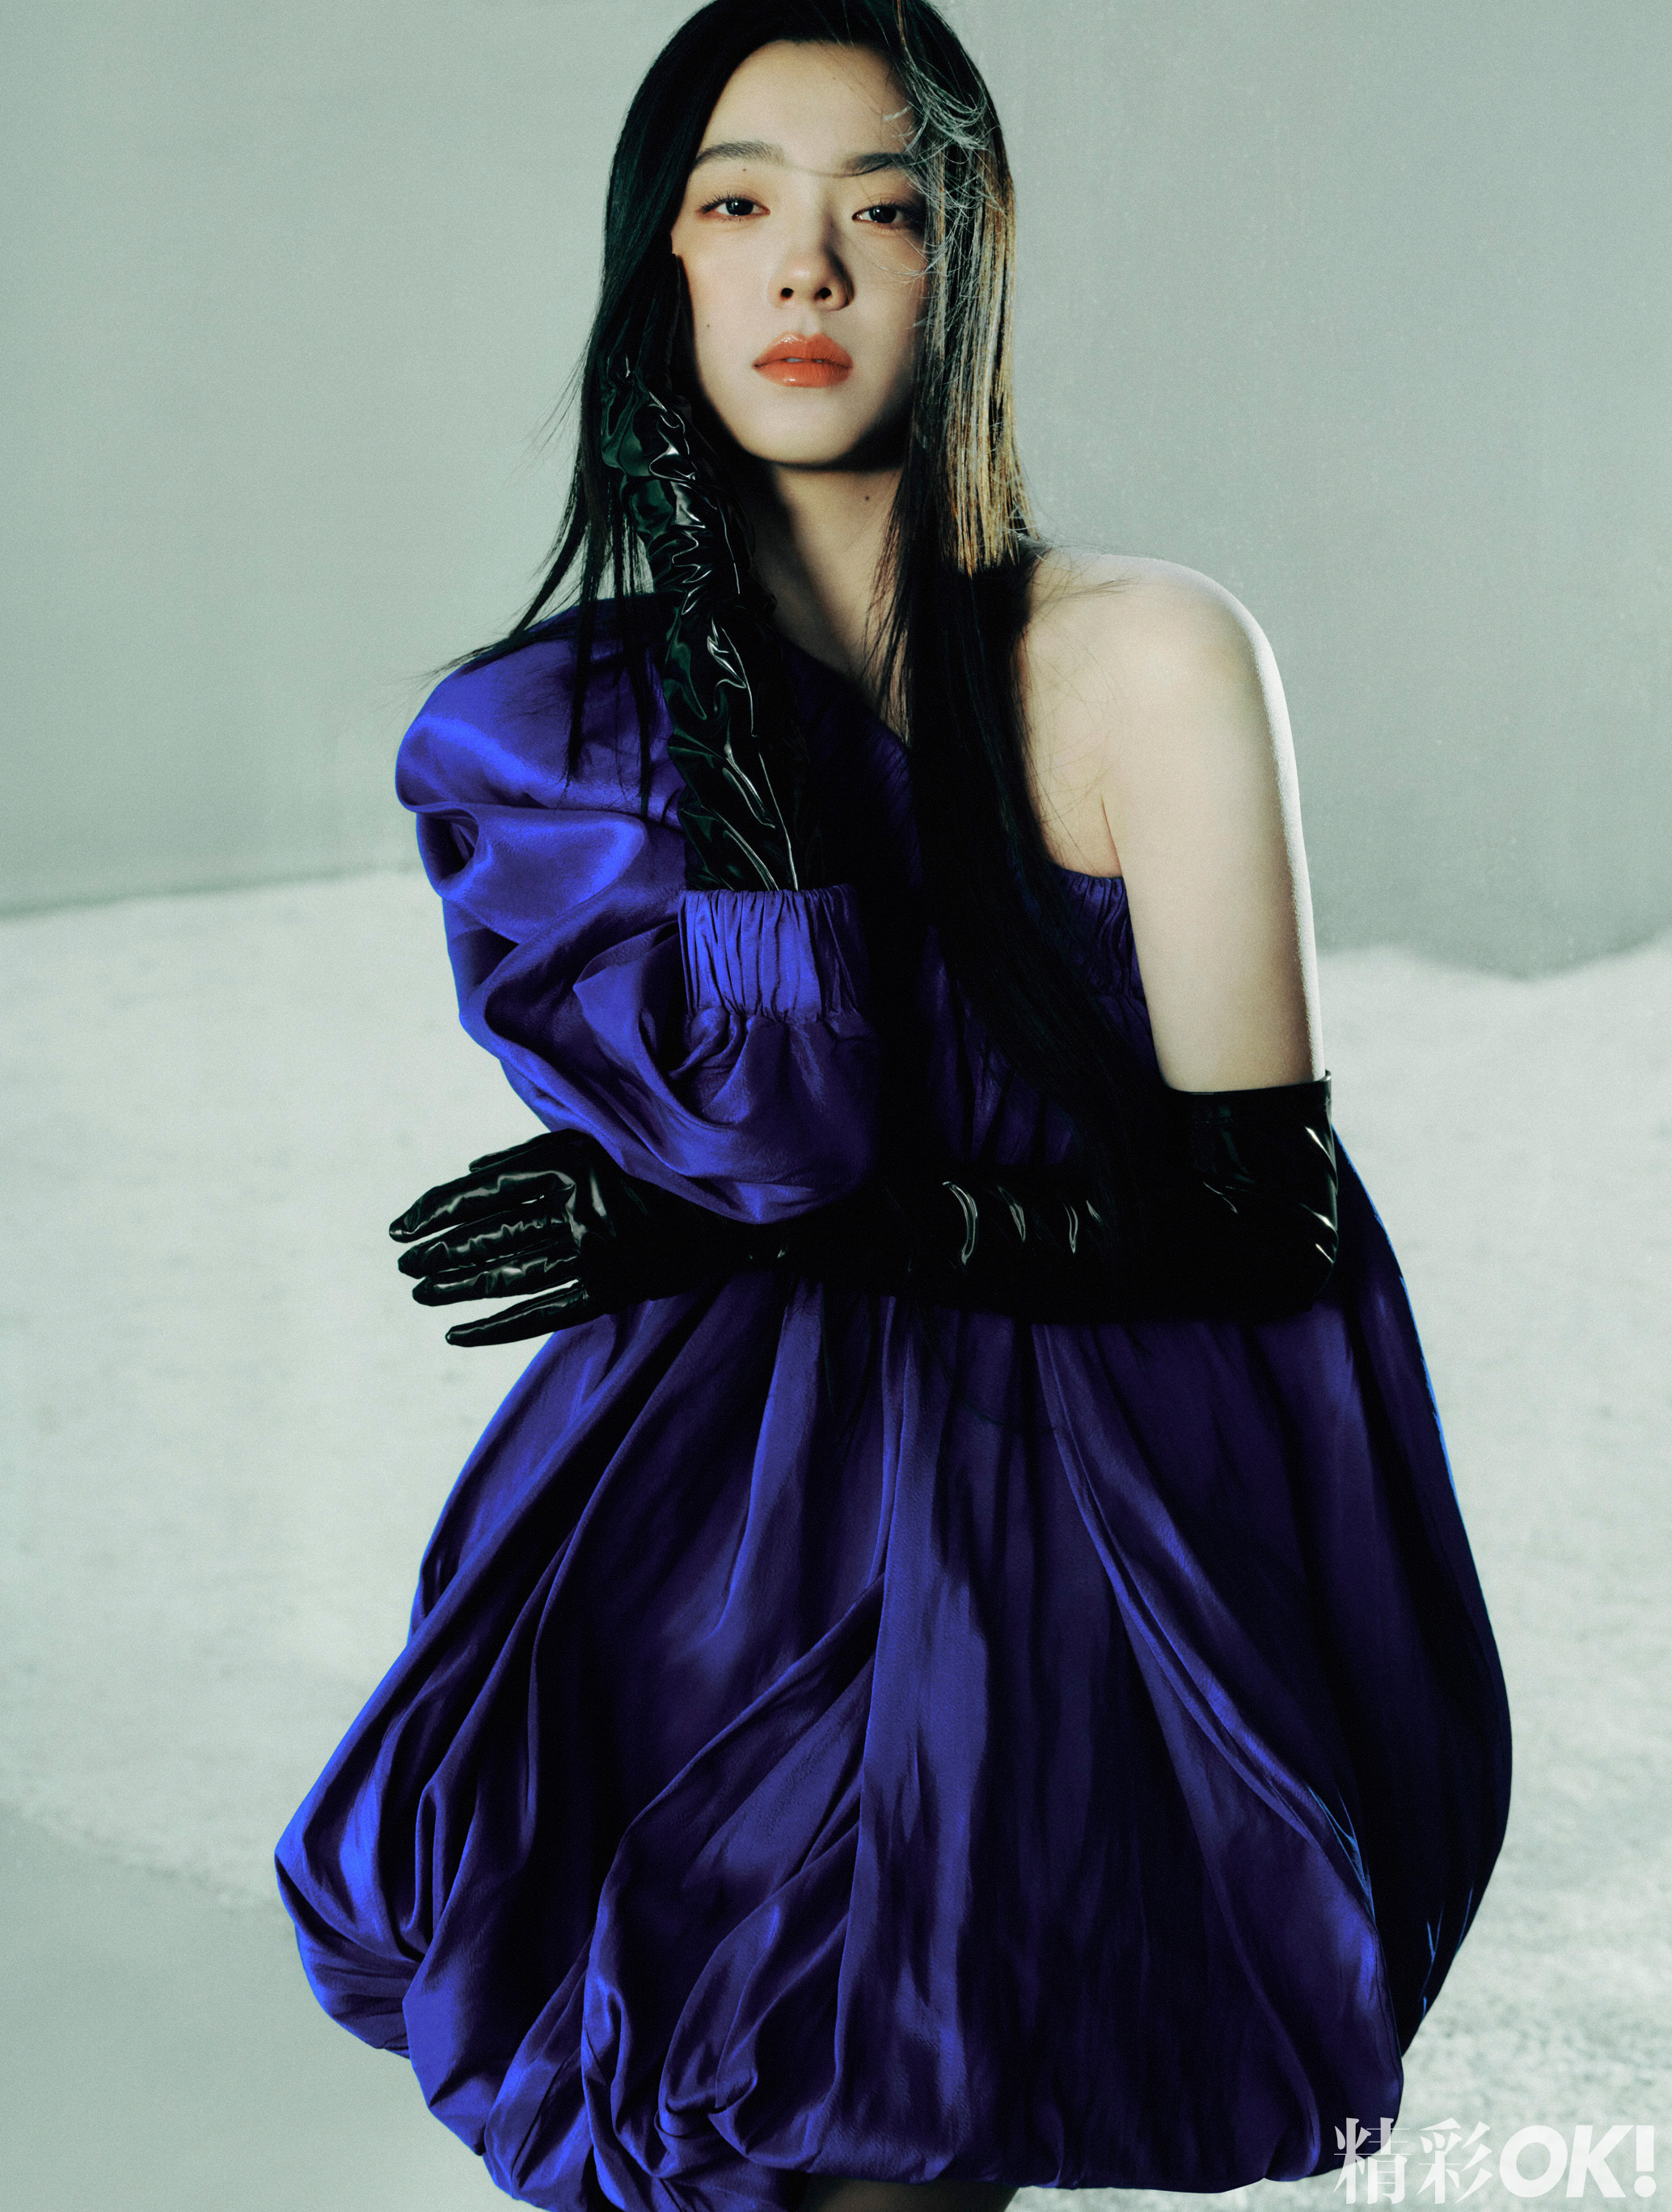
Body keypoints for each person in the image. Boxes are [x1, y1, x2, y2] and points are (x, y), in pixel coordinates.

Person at [274, 6, 1512, 2211]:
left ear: (971, 261)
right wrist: (712, 639)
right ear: (657, 264)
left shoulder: (1143, 657)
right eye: (736, 203)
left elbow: (1263, 1219)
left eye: (883, 210)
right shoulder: (550, 735)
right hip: (717, 1493)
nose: (807, 269)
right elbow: (785, 1126)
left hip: (1088, 1469)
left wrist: (708, 1222)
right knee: (706, 2099)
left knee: (883, 2103)